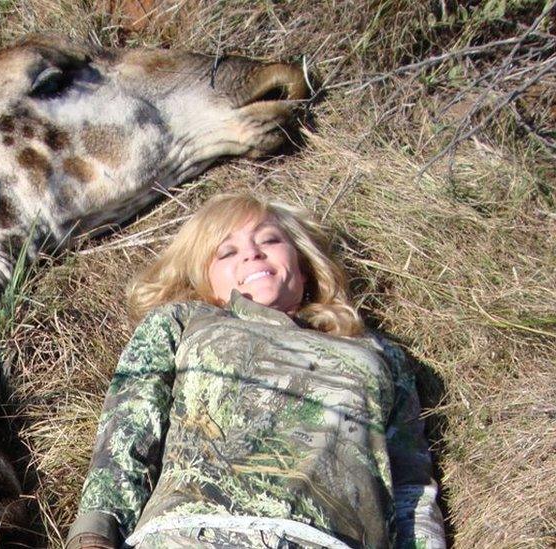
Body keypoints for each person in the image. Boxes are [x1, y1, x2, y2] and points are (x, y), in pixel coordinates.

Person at [66, 193, 446, 549]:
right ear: (207, 282)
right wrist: (95, 535)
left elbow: (411, 486)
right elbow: (128, 431)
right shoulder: (184, 321)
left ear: (301, 260)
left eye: (270, 241)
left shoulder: (377, 353)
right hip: (192, 535)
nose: (252, 254)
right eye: (227, 252)